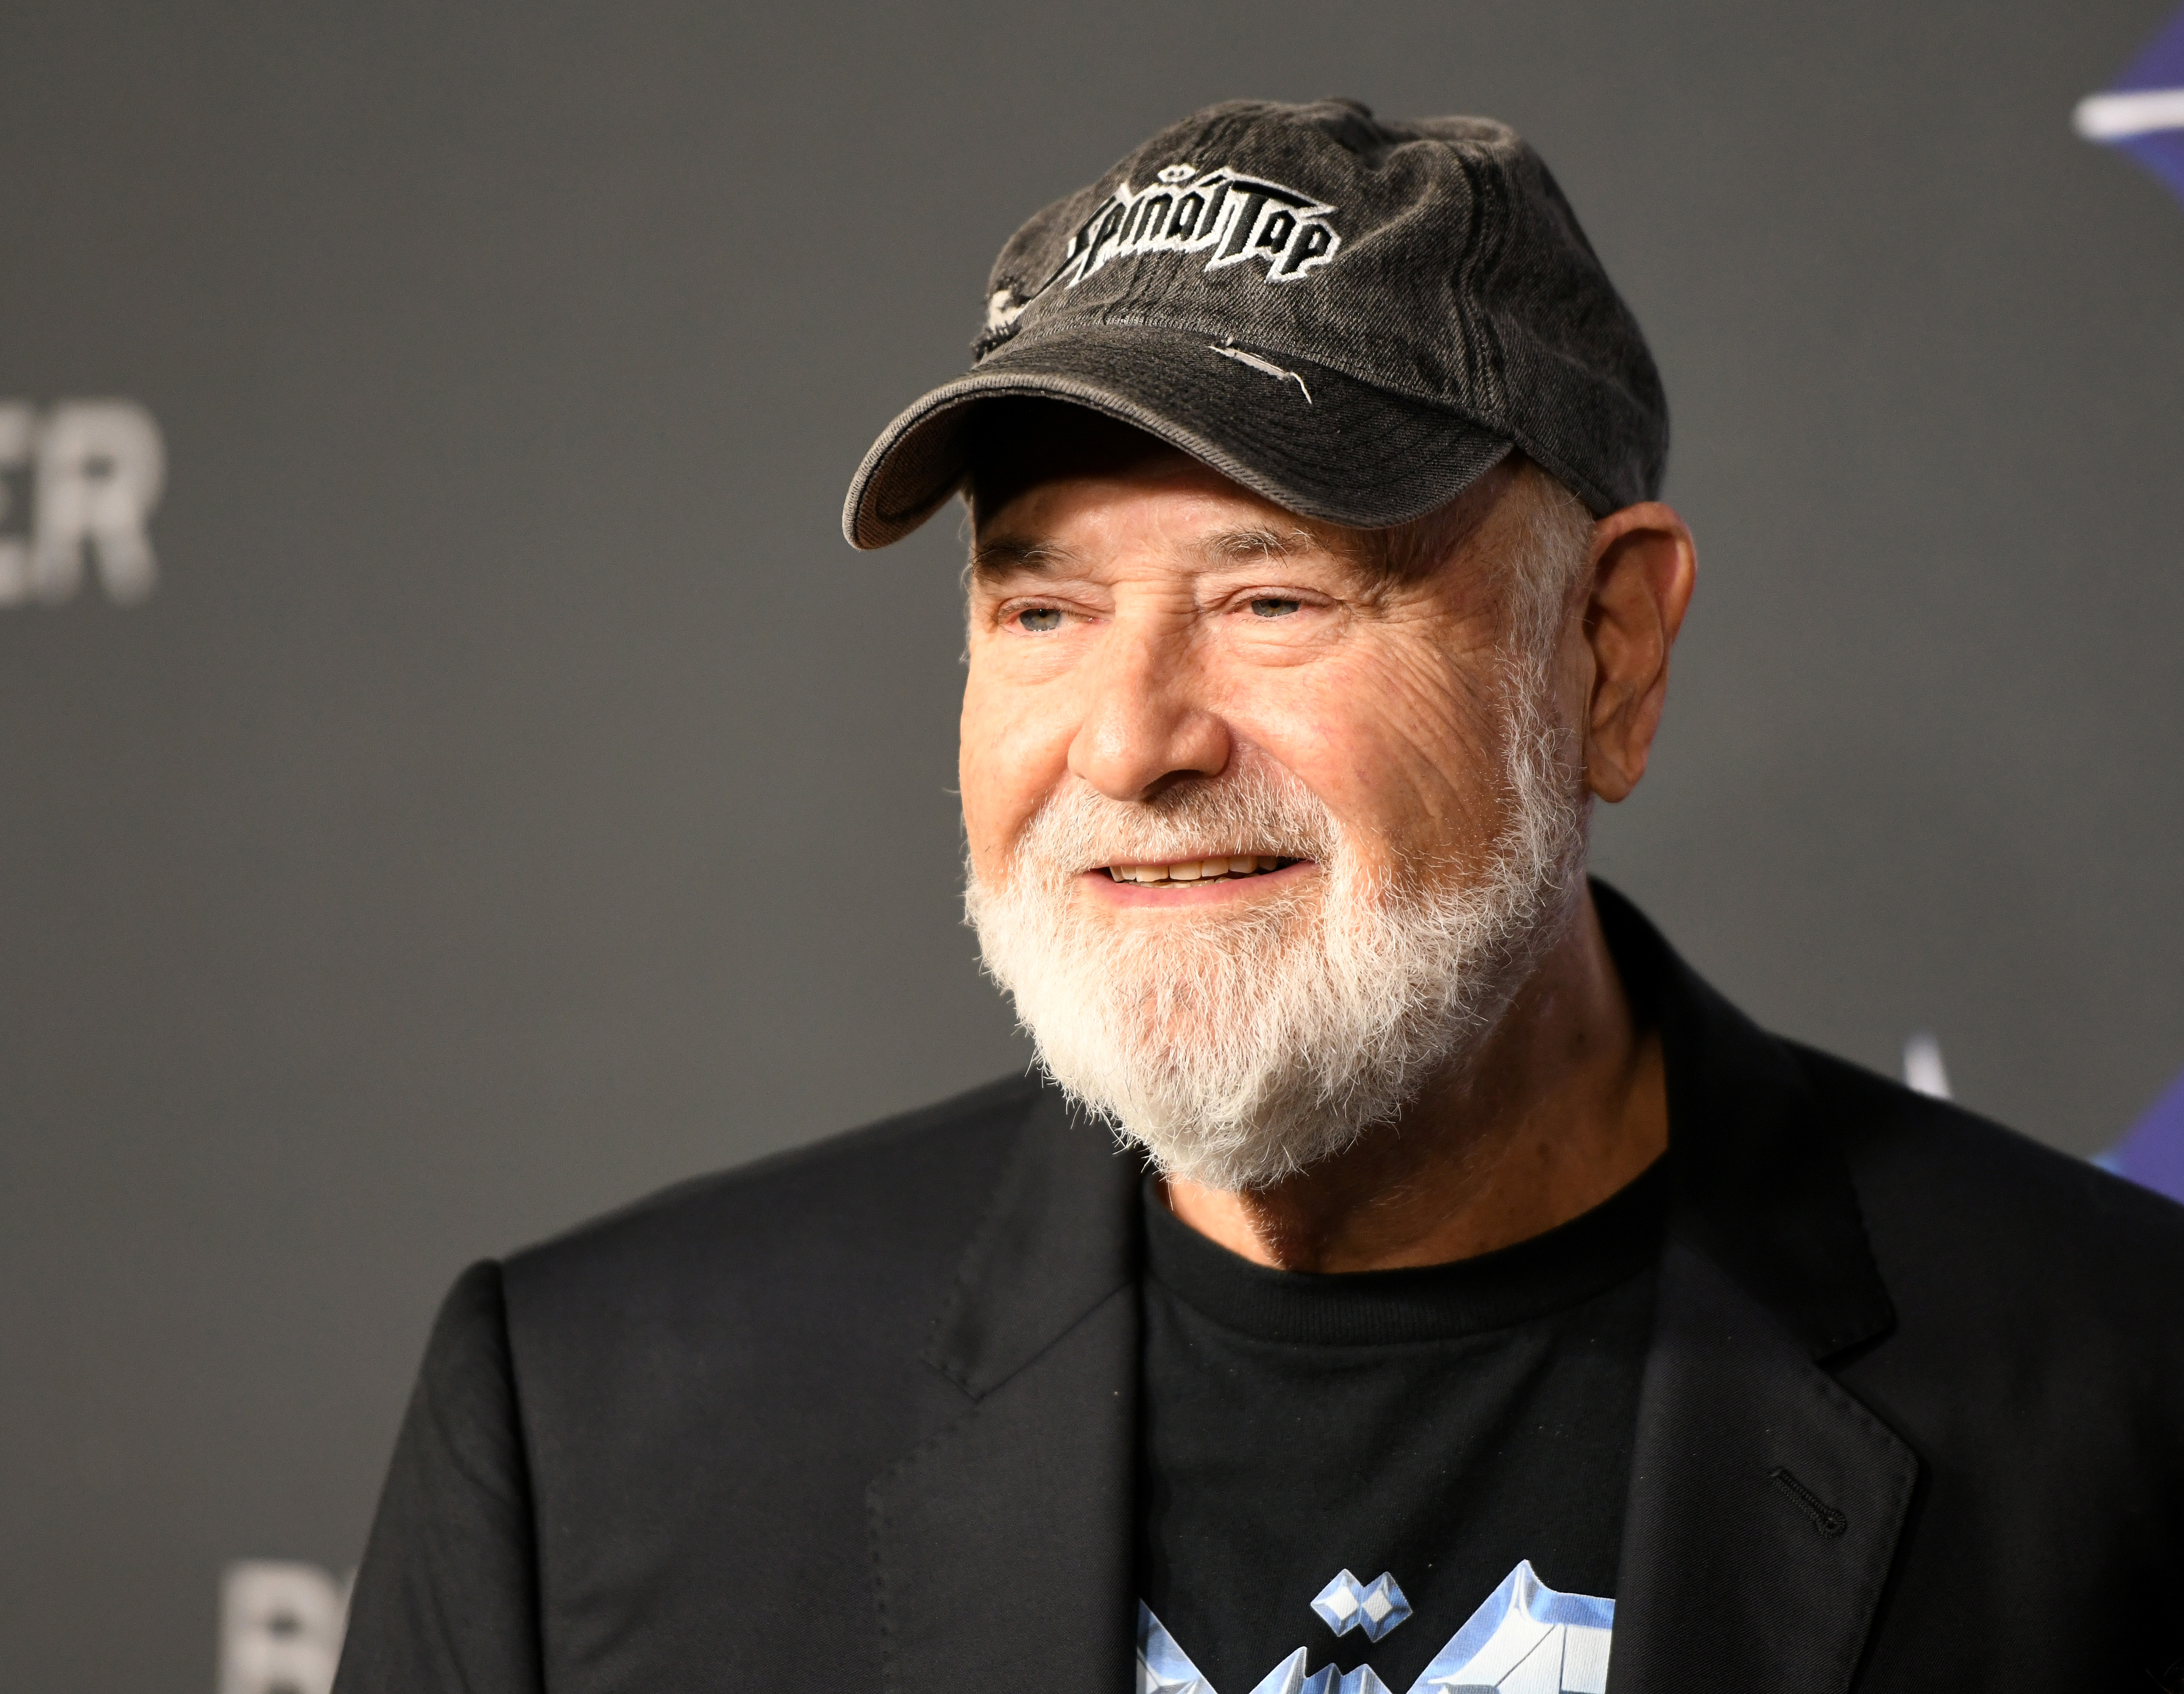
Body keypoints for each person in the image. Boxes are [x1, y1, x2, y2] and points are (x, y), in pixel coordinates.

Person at [332, 99, 2184, 1694]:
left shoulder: (2116, 1401)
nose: (1130, 740)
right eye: (1042, 610)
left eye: (1272, 595)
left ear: (1606, 652)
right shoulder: (599, 1432)